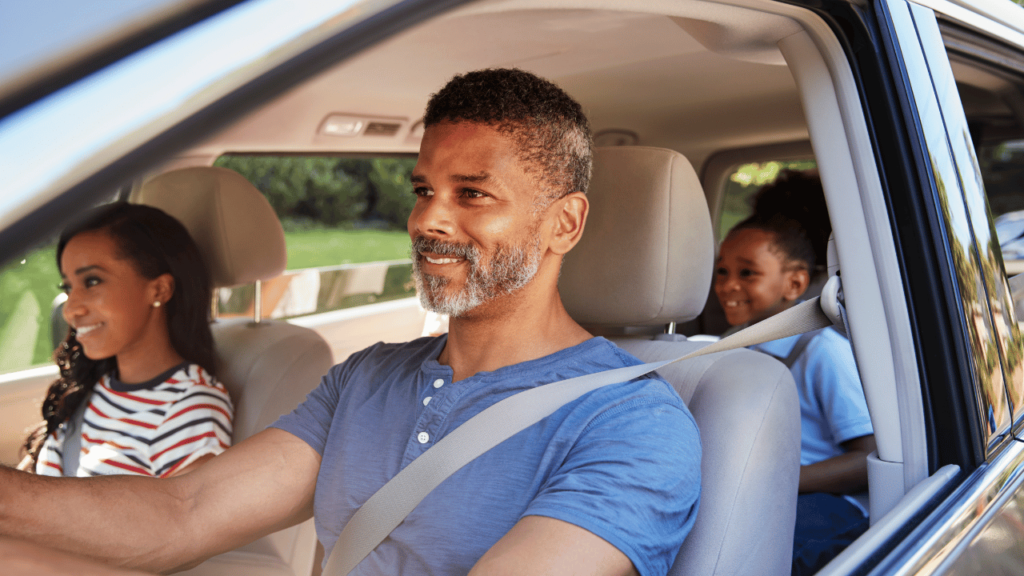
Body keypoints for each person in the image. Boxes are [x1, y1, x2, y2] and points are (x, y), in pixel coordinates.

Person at [0, 68, 700, 576]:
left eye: (473, 194)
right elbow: (184, 511)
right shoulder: (367, 377)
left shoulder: (631, 421)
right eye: (423, 189)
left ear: (564, 224)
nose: (428, 219)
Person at [713, 172, 875, 575]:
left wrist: (782, 481)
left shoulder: (821, 352)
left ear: (796, 282)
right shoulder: (731, 344)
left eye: (747, 273)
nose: (728, 285)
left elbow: (867, 456)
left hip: (828, 502)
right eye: (722, 271)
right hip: (758, 491)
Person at [17, 203, 233, 479]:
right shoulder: (93, 384)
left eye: (92, 282)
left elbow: (184, 519)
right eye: (68, 288)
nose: (70, 309)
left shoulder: (190, 409)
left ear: (159, 289)